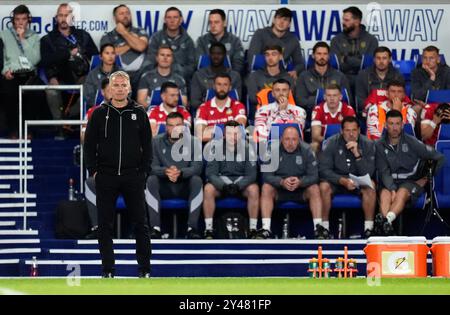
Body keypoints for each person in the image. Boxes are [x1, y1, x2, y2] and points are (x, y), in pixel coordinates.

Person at [83, 71, 152, 278]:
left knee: (141, 223)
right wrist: (94, 171)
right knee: (104, 225)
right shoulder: (98, 113)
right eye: (116, 85)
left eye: (124, 85)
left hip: (133, 176)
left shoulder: (139, 112)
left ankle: (145, 269)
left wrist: (144, 172)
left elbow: (147, 146)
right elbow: (89, 146)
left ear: (129, 88)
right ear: (109, 89)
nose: (120, 89)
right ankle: (108, 270)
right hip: (106, 176)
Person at [375, 110, 445, 235]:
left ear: (402, 125)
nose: (394, 127)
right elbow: (383, 171)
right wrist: (391, 189)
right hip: (389, 181)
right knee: (385, 193)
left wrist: (426, 178)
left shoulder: (413, 142)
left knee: (402, 192)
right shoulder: (379, 144)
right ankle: (385, 227)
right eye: (391, 124)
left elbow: (439, 158)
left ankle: (387, 220)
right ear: (385, 125)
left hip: (410, 182)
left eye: (397, 124)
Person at [260, 126, 327, 239]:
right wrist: (281, 182)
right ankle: (266, 229)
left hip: (301, 190)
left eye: (294, 139)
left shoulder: (307, 150)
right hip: (279, 190)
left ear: (299, 139)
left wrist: (300, 182)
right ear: (281, 139)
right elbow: (266, 176)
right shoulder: (272, 150)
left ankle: (318, 228)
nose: (290, 143)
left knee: (315, 188)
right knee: (266, 187)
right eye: (287, 139)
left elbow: (314, 176)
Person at [146, 112, 203, 239]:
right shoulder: (155, 142)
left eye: (178, 125)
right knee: (151, 180)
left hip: (184, 186)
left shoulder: (194, 142)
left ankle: (192, 228)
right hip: (164, 187)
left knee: (197, 180)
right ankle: (155, 228)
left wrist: (181, 172)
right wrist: (165, 171)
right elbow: (150, 167)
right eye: (171, 126)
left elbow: (197, 167)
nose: (174, 129)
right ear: (166, 127)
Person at [319, 116, 376, 238]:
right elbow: (324, 170)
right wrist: (341, 180)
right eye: (347, 130)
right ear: (341, 131)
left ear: (359, 131)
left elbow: (369, 172)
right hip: (337, 180)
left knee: (371, 185)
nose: (351, 134)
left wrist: (357, 155)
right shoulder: (330, 143)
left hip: (359, 181)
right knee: (323, 186)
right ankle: (323, 229)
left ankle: (369, 229)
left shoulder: (368, 144)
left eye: (354, 130)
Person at [40, 3, 98, 122]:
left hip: (82, 76)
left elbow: (95, 57)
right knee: (51, 91)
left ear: (72, 18)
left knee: (94, 84)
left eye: (66, 15)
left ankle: (69, 115)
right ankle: (59, 125)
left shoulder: (83, 36)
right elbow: (46, 61)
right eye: (60, 15)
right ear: (56, 18)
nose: (63, 18)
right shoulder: (47, 39)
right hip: (60, 77)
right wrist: (52, 76)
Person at [203, 120, 259, 239]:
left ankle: (253, 229)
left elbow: (252, 175)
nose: (232, 137)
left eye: (236, 133)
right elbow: (211, 174)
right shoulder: (216, 147)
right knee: (208, 189)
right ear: (224, 135)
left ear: (241, 135)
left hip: (241, 183)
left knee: (254, 189)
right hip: (222, 183)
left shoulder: (248, 148)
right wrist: (223, 186)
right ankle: (208, 229)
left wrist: (238, 185)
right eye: (229, 133)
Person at [0, 5, 41, 139]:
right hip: (11, 74)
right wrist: (5, 71)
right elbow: (2, 57)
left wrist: (23, 39)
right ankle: (13, 130)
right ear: (13, 21)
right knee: (9, 93)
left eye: (23, 19)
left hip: (29, 75)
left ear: (28, 20)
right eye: (17, 19)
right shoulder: (4, 35)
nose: (20, 22)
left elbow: (35, 59)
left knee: (35, 94)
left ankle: (28, 131)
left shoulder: (34, 37)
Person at [100, 4, 150, 95]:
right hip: (118, 76)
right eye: (121, 13)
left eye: (127, 13)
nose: (125, 16)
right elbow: (110, 54)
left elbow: (141, 47)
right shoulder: (107, 36)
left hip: (140, 75)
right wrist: (132, 43)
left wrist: (124, 33)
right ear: (115, 18)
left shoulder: (140, 31)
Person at [247, 7, 305, 78]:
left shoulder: (293, 40)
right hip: (261, 75)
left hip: (282, 77)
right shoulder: (260, 34)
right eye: (279, 18)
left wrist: (295, 71)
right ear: (274, 20)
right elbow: (252, 60)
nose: (281, 22)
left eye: (285, 20)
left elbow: (300, 63)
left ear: (289, 24)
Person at [330, 6, 378, 90]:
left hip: (365, 79)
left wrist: (346, 59)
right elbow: (337, 65)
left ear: (357, 22)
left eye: (347, 20)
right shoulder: (336, 40)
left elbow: (368, 65)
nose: (343, 23)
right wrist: (360, 61)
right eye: (343, 19)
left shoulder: (371, 40)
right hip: (342, 79)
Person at [296, 41, 351, 113]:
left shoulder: (340, 76)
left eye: (325, 54)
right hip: (311, 115)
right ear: (313, 55)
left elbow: (348, 100)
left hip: (335, 115)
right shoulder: (303, 76)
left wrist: (313, 98)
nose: (322, 57)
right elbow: (300, 101)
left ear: (329, 56)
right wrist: (320, 99)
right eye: (319, 54)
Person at [148, 7, 196, 82]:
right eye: (169, 17)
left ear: (181, 20)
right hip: (158, 78)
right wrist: (162, 73)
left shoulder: (188, 41)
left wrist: (177, 73)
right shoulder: (156, 38)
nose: (172, 20)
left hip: (180, 79)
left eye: (175, 17)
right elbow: (150, 61)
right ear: (165, 20)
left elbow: (192, 66)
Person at [245, 45, 294, 119]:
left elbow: (289, 97)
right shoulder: (254, 76)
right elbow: (253, 98)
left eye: (274, 54)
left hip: (284, 116)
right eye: (267, 54)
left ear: (280, 56)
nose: (270, 57)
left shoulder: (288, 78)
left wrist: (264, 94)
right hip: (260, 116)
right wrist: (277, 96)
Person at [195, 73, 246, 143]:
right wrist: (229, 130)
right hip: (211, 149)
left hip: (233, 147)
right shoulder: (203, 108)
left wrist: (212, 129)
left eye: (225, 84)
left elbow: (240, 130)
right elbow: (200, 135)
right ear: (214, 86)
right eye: (219, 84)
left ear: (230, 87)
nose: (222, 88)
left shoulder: (238, 106)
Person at [190, 42, 242, 108]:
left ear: (224, 55)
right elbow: (194, 102)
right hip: (205, 112)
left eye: (219, 54)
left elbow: (237, 100)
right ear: (209, 55)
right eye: (213, 54)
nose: (216, 57)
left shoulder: (235, 76)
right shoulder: (199, 75)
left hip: (229, 112)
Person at [355, 46, 405, 112]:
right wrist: (375, 108)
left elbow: (401, 97)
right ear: (374, 60)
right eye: (378, 58)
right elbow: (360, 100)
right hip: (370, 111)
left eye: (384, 58)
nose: (381, 61)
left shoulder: (397, 75)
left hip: (391, 111)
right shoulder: (363, 75)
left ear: (390, 59)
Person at [196, 9, 245, 74]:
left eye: (216, 22)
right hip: (207, 78)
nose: (213, 26)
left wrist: (227, 79)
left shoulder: (234, 41)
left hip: (228, 80)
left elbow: (238, 65)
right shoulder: (202, 41)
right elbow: (199, 64)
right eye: (210, 22)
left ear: (224, 23)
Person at [310, 84, 356, 152]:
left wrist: (338, 143)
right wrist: (331, 142)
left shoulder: (348, 110)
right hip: (324, 142)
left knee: (353, 143)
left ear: (340, 97)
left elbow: (352, 133)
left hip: (344, 142)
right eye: (329, 95)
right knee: (314, 145)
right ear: (324, 97)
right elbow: (315, 136)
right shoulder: (318, 109)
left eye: (335, 95)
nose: (332, 98)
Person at [83, 43, 120, 110]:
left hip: (118, 109)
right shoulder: (93, 74)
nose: (110, 56)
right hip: (97, 109)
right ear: (100, 56)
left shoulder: (122, 74)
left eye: (113, 53)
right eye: (107, 53)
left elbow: (128, 93)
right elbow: (88, 95)